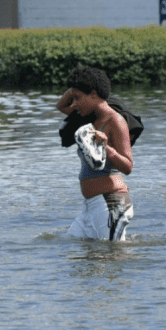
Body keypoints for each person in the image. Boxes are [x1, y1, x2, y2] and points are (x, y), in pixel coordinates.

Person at [56, 67, 134, 241]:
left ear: (93, 94)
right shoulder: (88, 117)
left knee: (113, 257)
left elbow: (128, 166)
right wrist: (76, 86)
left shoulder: (116, 121)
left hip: (111, 202)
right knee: (76, 251)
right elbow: (61, 106)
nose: (74, 104)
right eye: (72, 97)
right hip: (91, 205)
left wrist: (107, 148)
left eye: (77, 98)